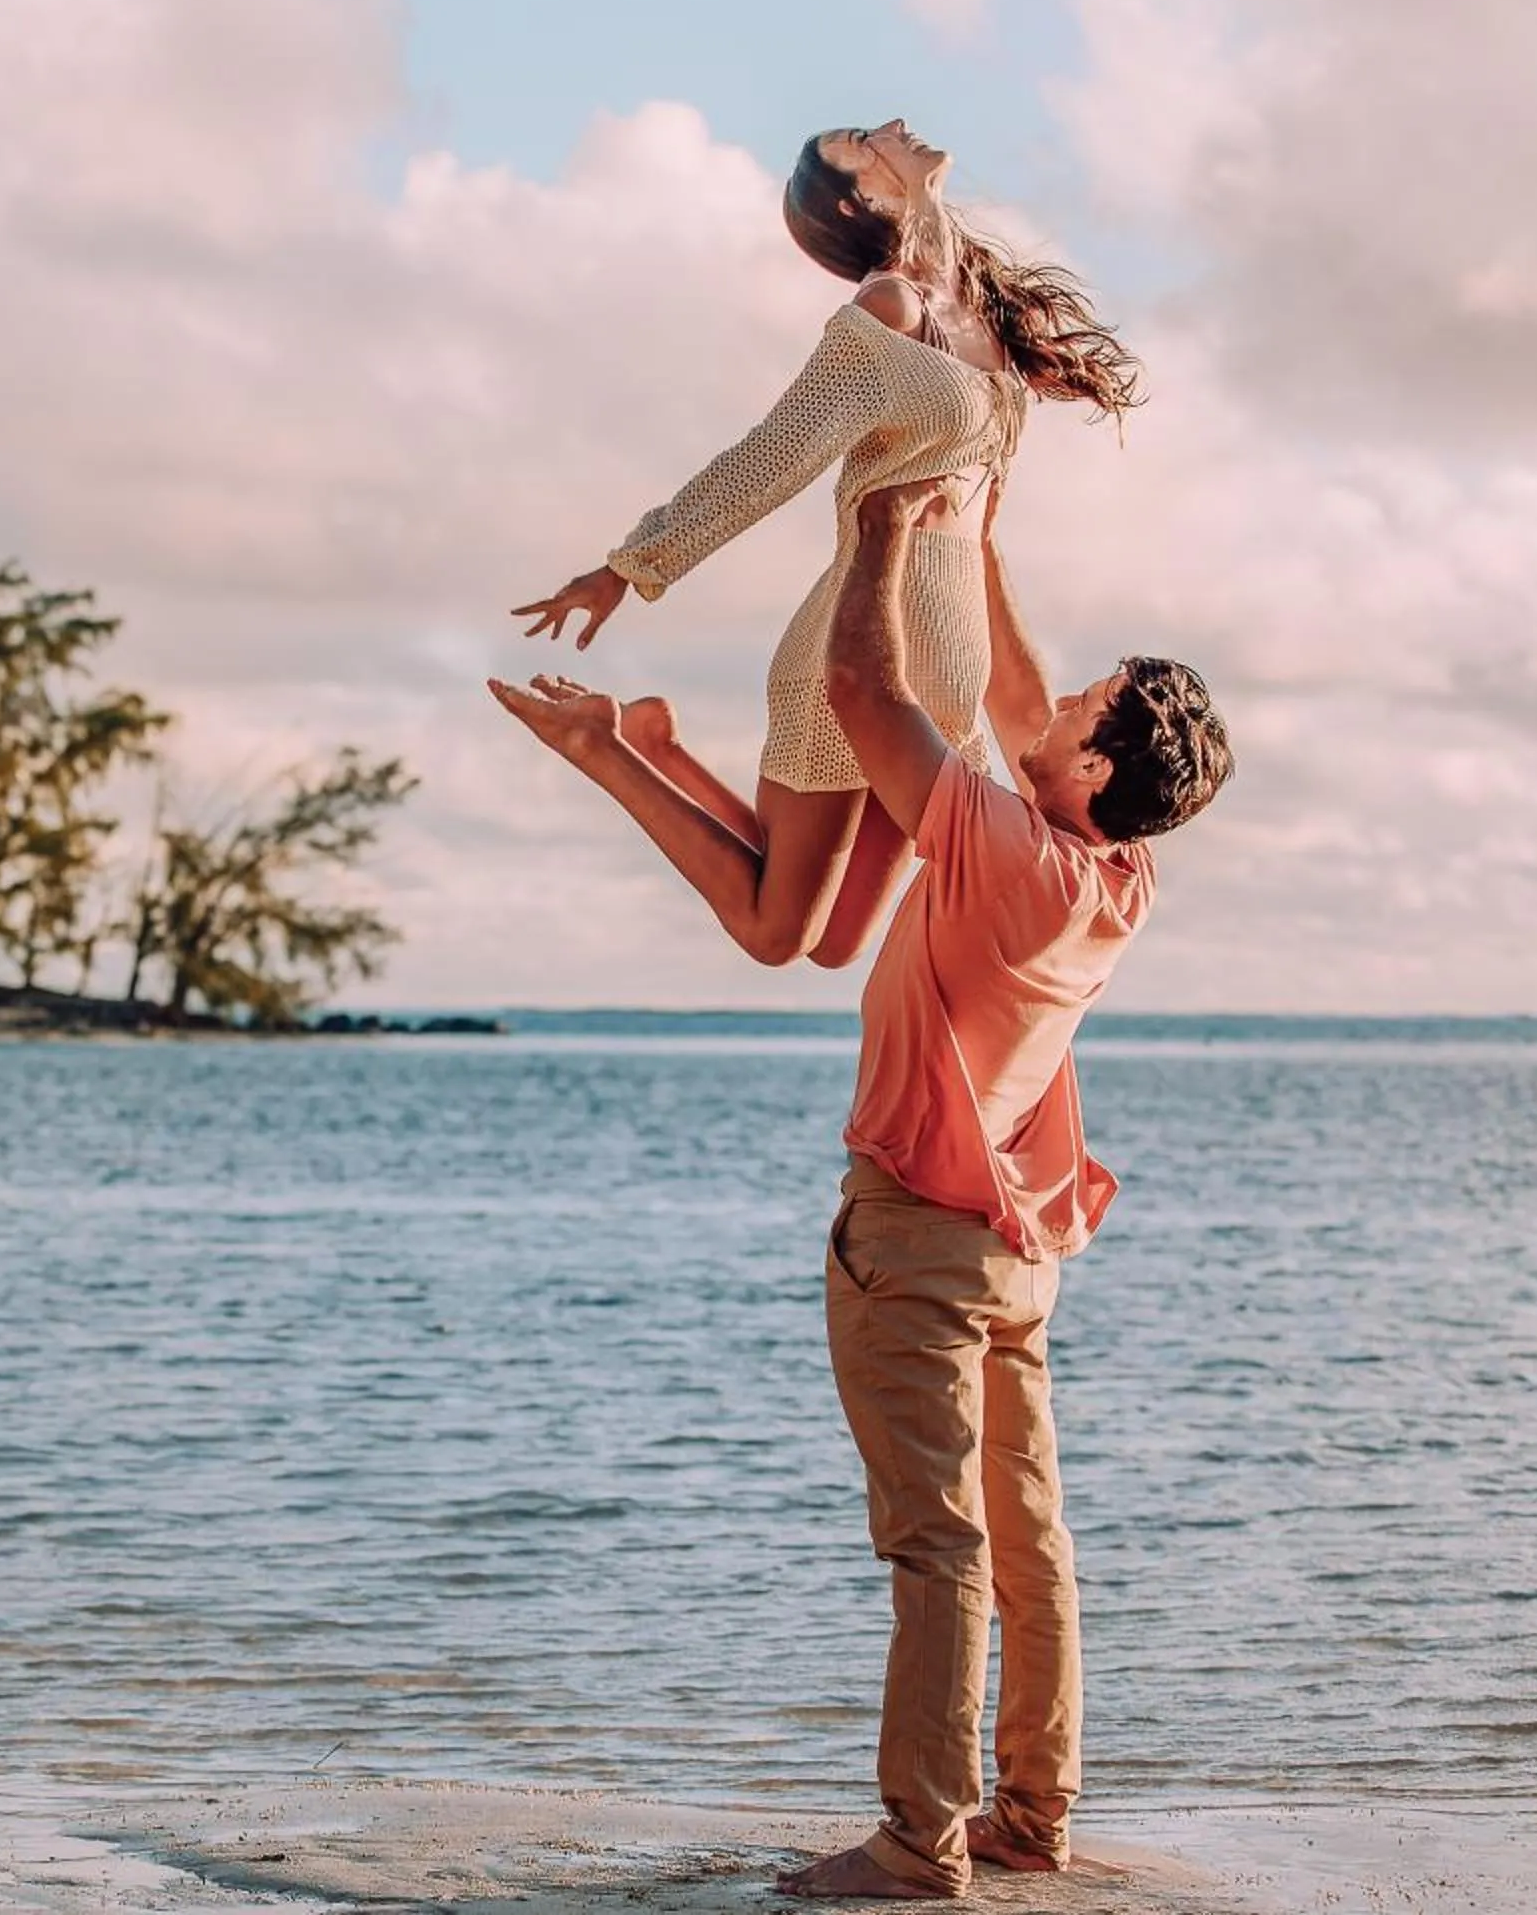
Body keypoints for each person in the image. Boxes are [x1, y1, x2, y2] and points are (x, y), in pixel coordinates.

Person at [490, 475, 1232, 1901]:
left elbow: (861, 689)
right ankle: (1032, 1815)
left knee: (938, 1548)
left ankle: (918, 1842)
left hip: (920, 1248)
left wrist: (884, 530)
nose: (1054, 705)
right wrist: (985, 545)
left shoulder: (1006, 851)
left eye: (1083, 707)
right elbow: (1019, 699)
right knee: (1028, 1546)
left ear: (1090, 773)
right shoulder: (1118, 874)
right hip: (1013, 1257)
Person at [508, 119, 1140, 971]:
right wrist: (632, 566)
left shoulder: (981, 313)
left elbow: (980, 531)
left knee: (835, 944)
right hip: (856, 646)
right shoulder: (886, 313)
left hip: (946, 657)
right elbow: (772, 456)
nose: (892, 130)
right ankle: (603, 745)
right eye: (861, 140)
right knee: (778, 933)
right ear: (857, 199)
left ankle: (660, 746)